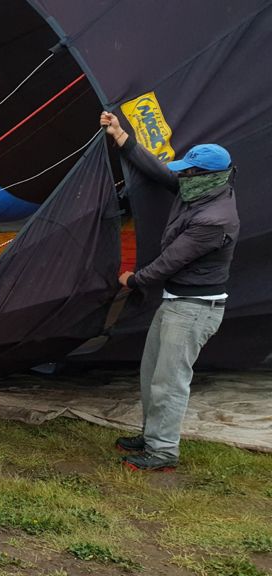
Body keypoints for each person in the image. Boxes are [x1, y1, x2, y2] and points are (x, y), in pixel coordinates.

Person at [100, 111, 239, 472]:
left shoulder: (215, 219)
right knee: (152, 374)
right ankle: (151, 435)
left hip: (194, 309)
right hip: (177, 302)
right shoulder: (202, 191)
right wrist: (122, 137)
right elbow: (162, 173)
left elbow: (169, 262)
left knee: (170, 382)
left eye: (188, 173)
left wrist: (134, 280)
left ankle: (162, 452)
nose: (182, 178)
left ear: (208, 177)